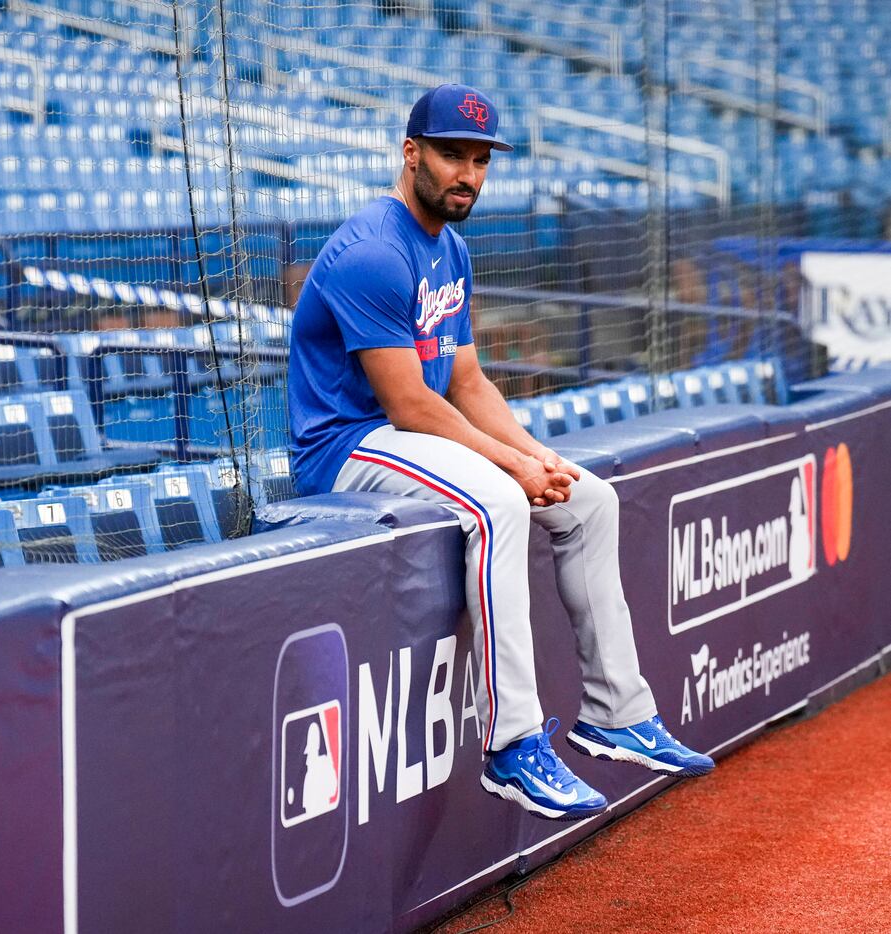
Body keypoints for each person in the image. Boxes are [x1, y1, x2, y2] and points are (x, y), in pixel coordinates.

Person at [286, 84, 714, 821]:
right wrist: (511, 469)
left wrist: (540, 458)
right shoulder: (371, 251)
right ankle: (511, 744)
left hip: (407, 438)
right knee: (498, 502)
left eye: (480, 160)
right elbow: (409, 404)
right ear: (410, 152)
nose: (468, 175)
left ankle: (615, 713)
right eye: (453, 155)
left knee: (589, 498)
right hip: (344, 445)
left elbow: (466, 379)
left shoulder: (448, 247)